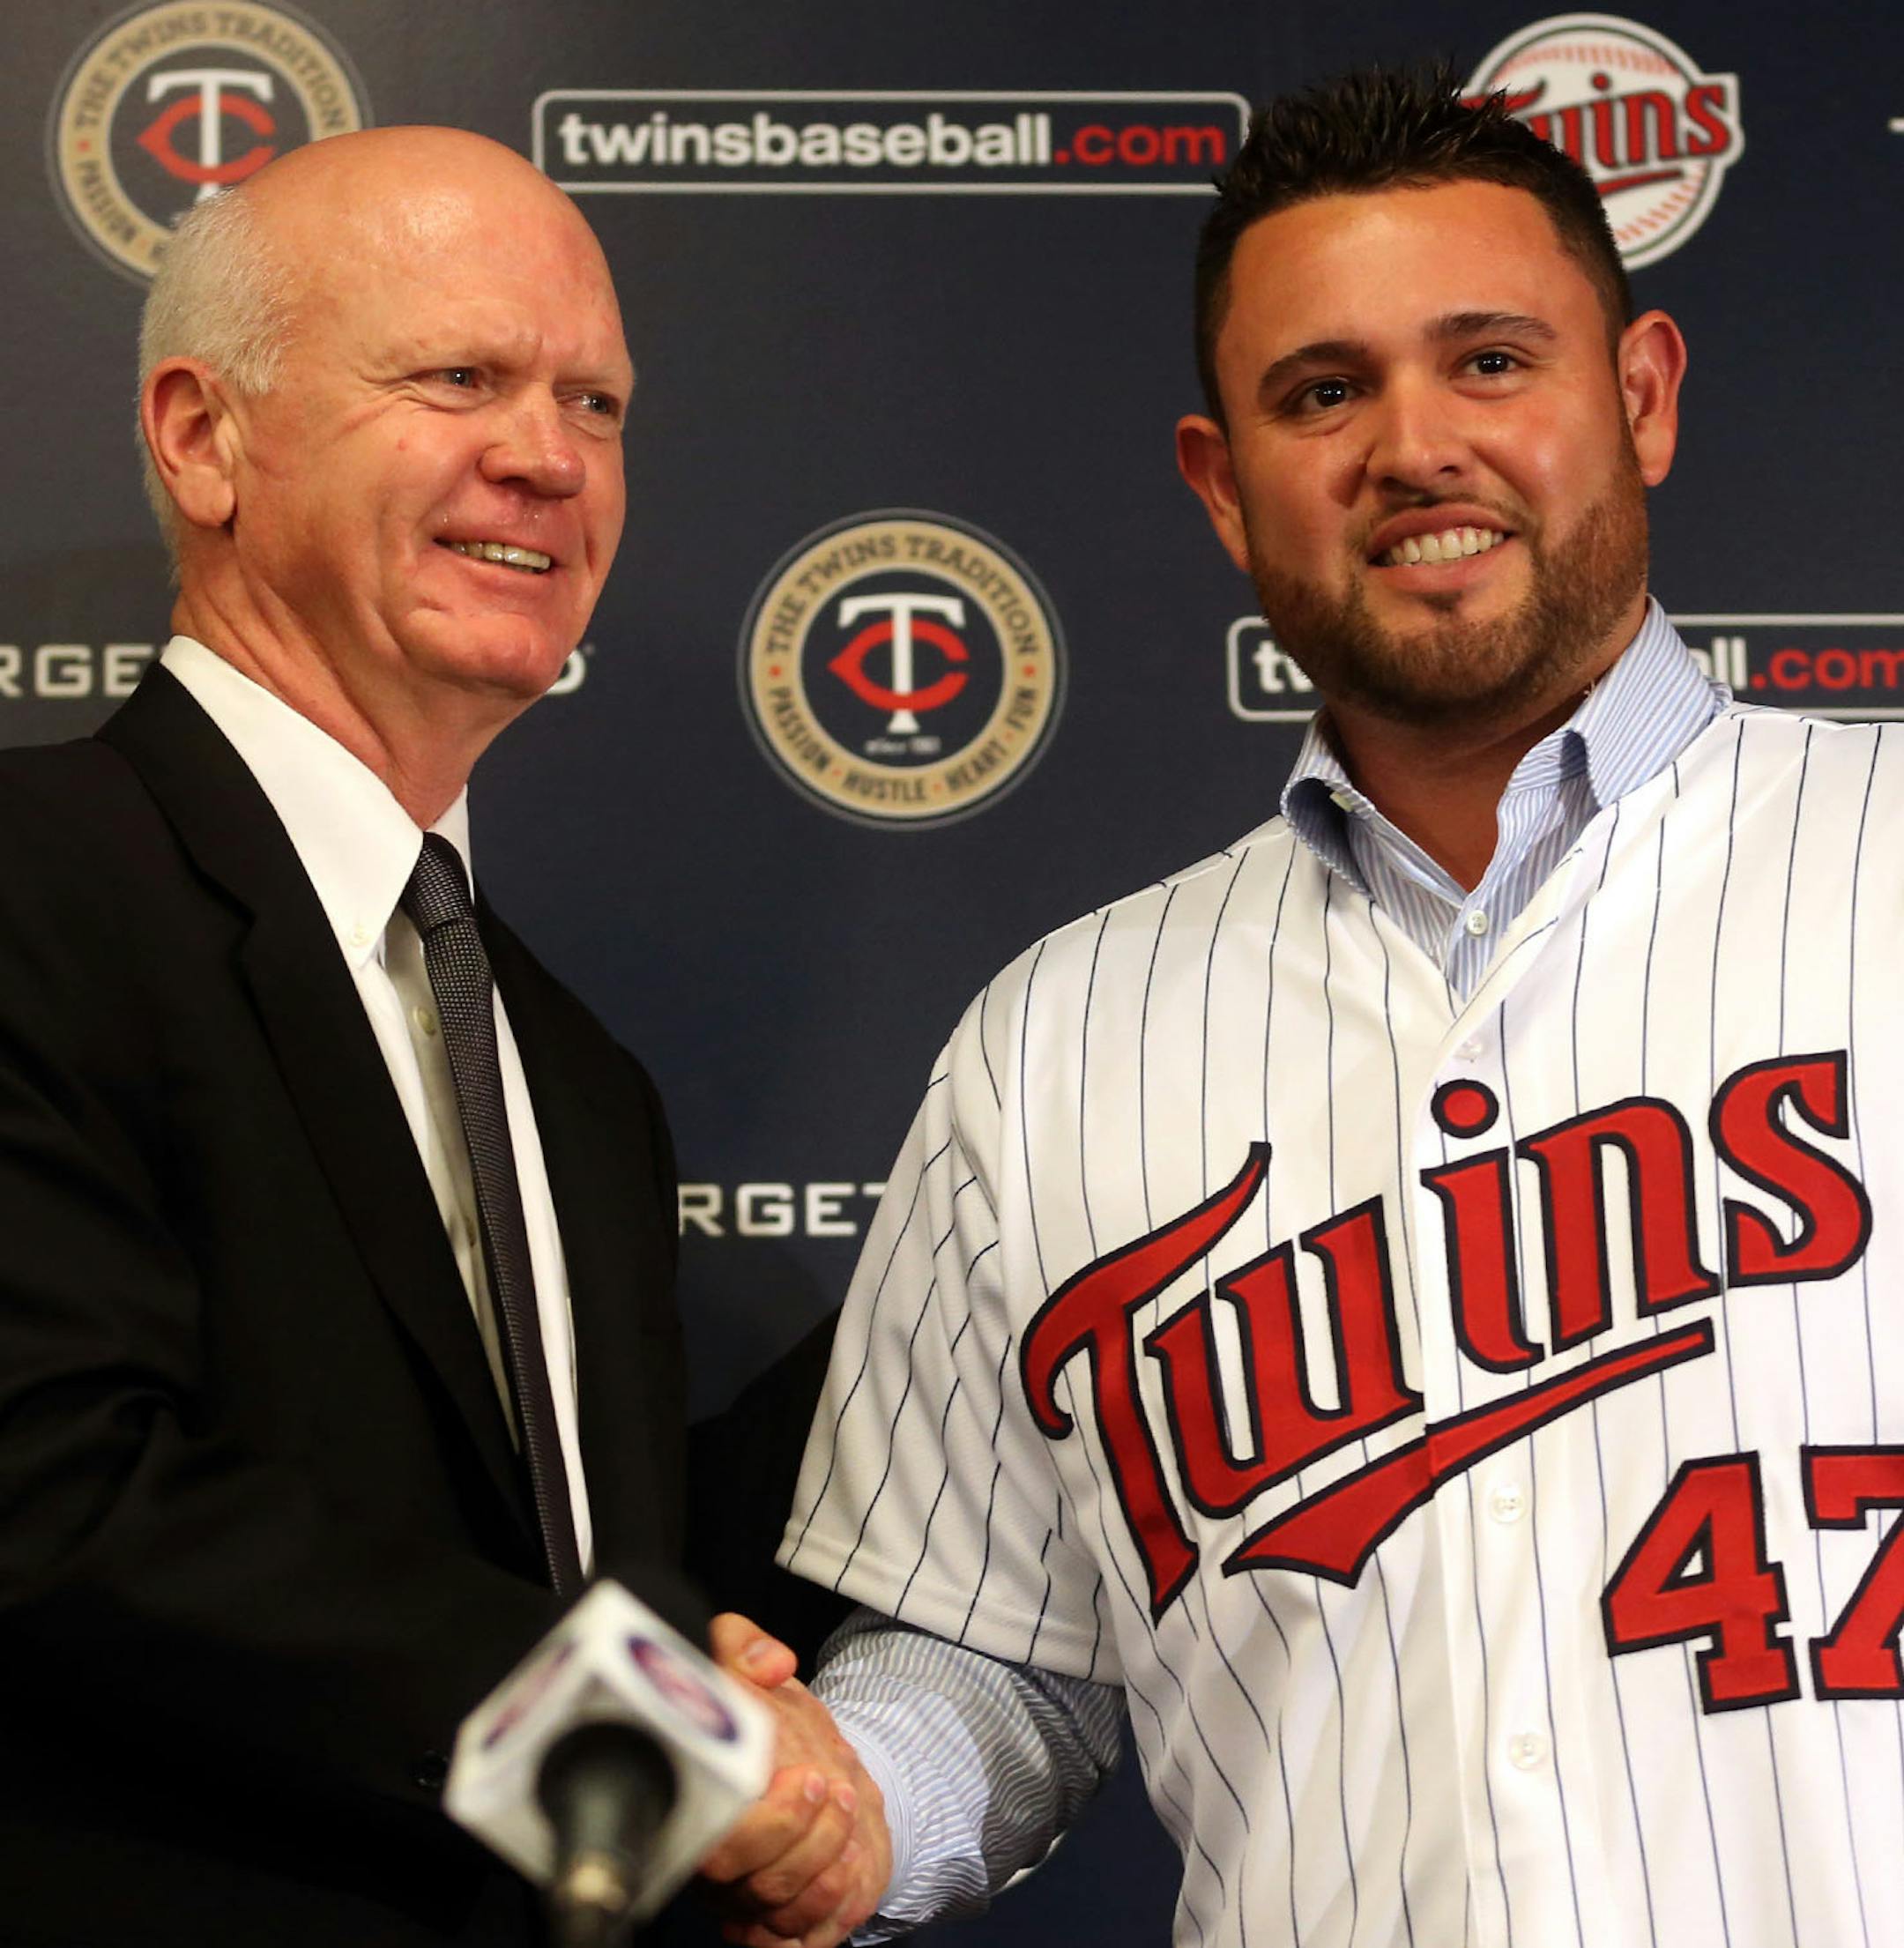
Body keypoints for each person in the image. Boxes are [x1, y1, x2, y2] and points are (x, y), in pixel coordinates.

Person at [747, 66, 1904, 1948]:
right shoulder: (1054, 1044)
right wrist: (845, 1795)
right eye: (1323, 391)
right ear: (1223, 484)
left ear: (1644, 399)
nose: (1413, 444)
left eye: (1491, 362)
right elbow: (994, 1661)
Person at [0, 126, 874, 1948]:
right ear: (200, 435)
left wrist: (979, 1286)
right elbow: (54, 1497)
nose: (547, 454)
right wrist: (675, 1738)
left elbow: (583, 1581)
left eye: (599, 403)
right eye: (460, 377)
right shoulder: (33, 888)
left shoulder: (571, 1073)